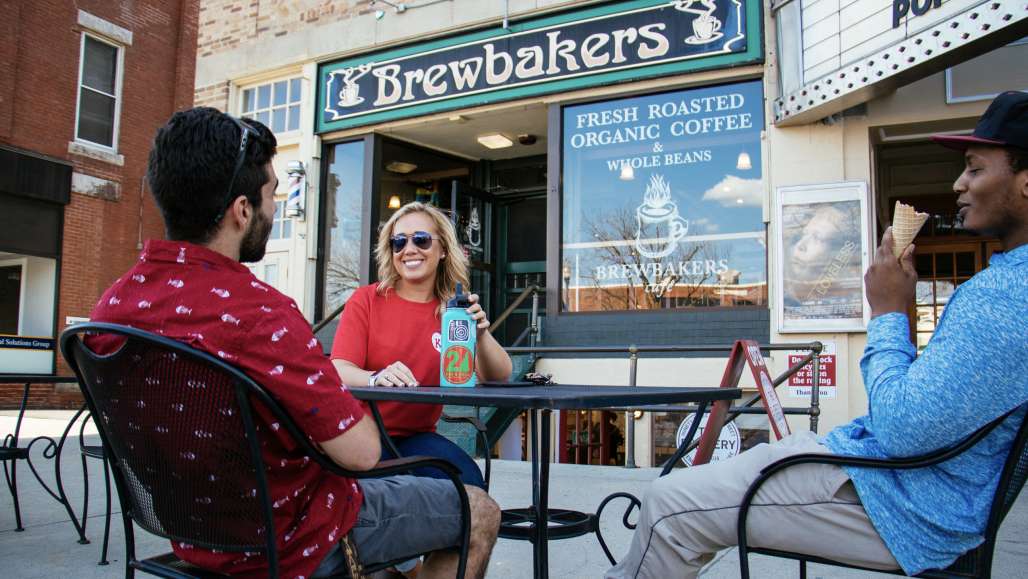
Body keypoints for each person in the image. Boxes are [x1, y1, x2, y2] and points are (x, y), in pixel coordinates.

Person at [606, 90, 1028, 579]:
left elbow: (900, 429)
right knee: (741, 469)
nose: (959, 183)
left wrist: (888, 312)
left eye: (975, 168)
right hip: (897, 482)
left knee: (667, 506)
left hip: (906, 509)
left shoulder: (1004, 298)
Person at [88, 107, 500, 579]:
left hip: (192, 534)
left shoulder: (112, 308)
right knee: (479, 511)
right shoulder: (261, 314)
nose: (275, 207)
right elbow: (363, 453)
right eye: (271, 195)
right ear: (242, 211)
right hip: (296, 535)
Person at [331, 201, 513, 490]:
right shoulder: (367, 300)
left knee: (469, 486)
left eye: (421, 240)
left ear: (442, 250)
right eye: (399, 242)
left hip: (417, 436)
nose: (409, 249)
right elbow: (338, 369)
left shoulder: (453, 310)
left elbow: (499, 375)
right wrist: (375, 378)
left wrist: (481, 332)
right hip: (360, 434)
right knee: (389, 494)